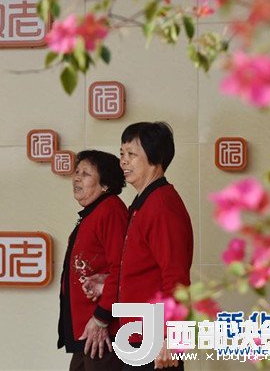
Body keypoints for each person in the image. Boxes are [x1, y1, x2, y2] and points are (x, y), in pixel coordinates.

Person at [83, 121, 194, 370]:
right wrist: (107, 282)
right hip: (136, 334)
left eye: (131, 154)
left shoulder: (162, 206)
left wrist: (172, 338)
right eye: (122, 153)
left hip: (154, 340)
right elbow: (144, 268)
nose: (123, 161)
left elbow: (176, 277)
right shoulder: (143, 203)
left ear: (155, 158)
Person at [58, 150, 128, 371]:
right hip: (87, 329)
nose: (77, 178)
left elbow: (121, 269)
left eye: (86, 174)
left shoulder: (111, 210)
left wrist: (101, 317)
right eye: (77, 172)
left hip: (103, 329)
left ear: (105, 184)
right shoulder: (94, 212)